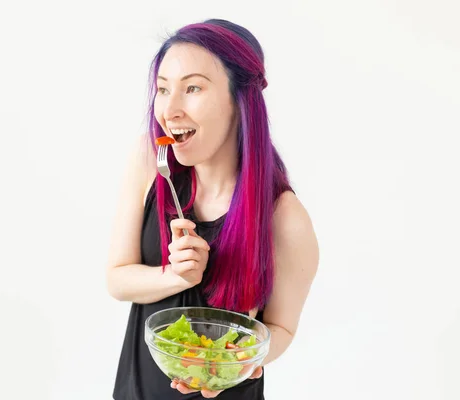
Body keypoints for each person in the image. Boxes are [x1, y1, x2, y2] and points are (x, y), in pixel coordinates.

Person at [106, 18, 319, 399]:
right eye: (163, 89)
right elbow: (117, 280)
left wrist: (237, 360)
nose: (169, 109)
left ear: (240, 101)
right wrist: (177, 277)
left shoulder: (284, 218)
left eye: (192, 88)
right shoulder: (149, 162)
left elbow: (281, 329)